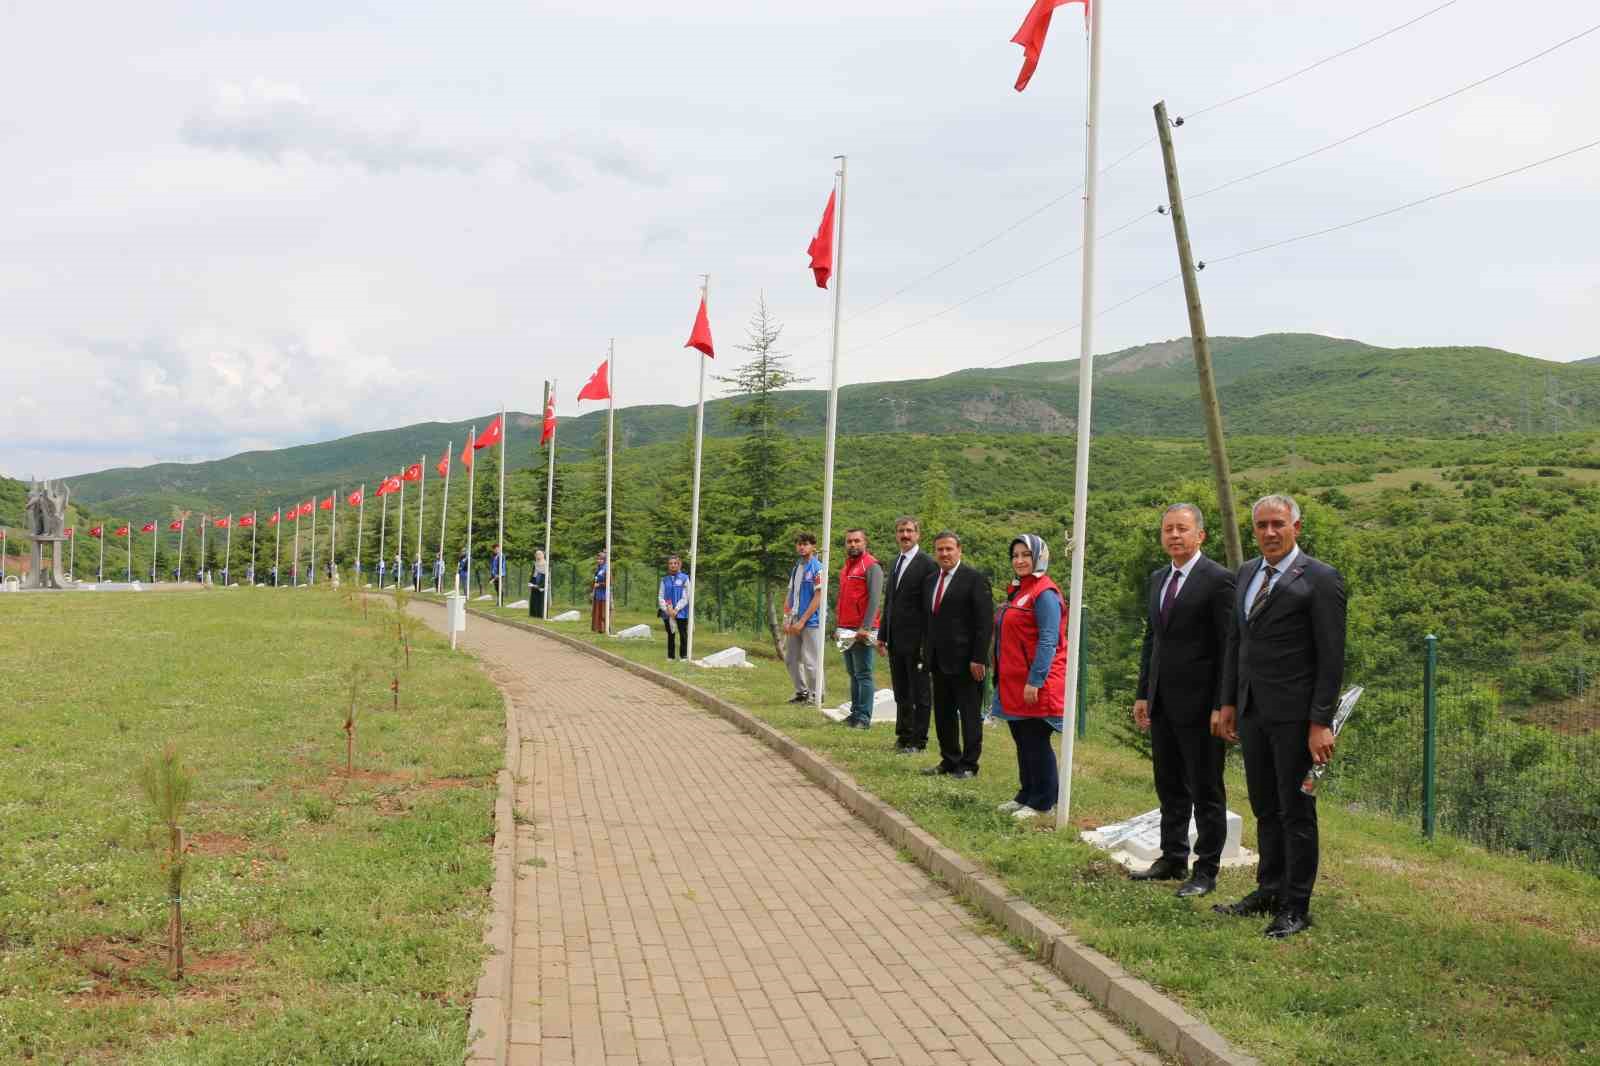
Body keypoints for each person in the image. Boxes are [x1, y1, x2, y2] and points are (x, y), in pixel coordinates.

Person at [1213, 494, 1347, 939]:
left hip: (1296, 718)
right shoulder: (1248, 573)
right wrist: (1229, 701)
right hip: (1253, 712)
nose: (1270, 533)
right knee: (1265, 806)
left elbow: (1331, 658)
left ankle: (1296, 904)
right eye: (1262, 526)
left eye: (1278, 524)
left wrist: (1320, 721)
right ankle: (1268, 888)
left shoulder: (1321, 579)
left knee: (1296, 810)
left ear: (1296, 527)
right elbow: (1237, 643)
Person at [1130, 504, 1237, 898]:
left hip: (1201, 706)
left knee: (1206, 789)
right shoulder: (1159, 578)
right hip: (1163, 702)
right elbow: (1152, 640)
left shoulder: (1218, 580)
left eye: (1182, 529)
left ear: (1200, 536)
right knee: (1169, 785)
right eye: (1168, 530)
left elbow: (1229, 647)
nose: (1174, 536)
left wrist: (1222, 704)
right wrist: (1144, 692)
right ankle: (1172, 855)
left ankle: (1205, 869)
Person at [989, 534, 1066, 818]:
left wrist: (1036, 679)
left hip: (1035, 682)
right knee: (1022, 739)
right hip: (1013, 682)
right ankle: (1027, 793)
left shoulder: (1044, 593)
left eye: (1026, 555)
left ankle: (1043, 802)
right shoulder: (1021, 590)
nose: (1019, 560)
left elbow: (1048, 639)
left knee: (1035, 739)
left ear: (1039, 556)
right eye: (1015, 556)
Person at [920, 531, 993, 779]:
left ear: (959, 550)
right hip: (938, 660)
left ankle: (969, 764)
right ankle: (949, 759)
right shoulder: (931, 580)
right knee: (943, 713)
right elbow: (929, 621)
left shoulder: (974, 579)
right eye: (940, 549)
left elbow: (984, 624)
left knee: (969, 715)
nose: (944, 554)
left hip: (966, 662)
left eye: (949, 549)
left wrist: (979, 658)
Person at [879, 515, 937, 754]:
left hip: (918, 642)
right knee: (901, 691)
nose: (905, 535)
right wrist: (883, 634)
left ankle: (918, 740)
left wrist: (927, 643)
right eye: (901, 531)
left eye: (910, 531)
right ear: (896, 534)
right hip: (895, 640)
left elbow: (930, 608)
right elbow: (890, 602)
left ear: (918, 534)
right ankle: (903, 735)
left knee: (920, 693)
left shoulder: (927, 564)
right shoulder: (896, 562)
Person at [835, 529, 883, 729]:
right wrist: (838, 625)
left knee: (863, 673)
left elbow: (874, 598)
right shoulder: (846, 567)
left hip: (861, 629)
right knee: (853, 673)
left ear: (865, 542)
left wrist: (865, 626)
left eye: (857, 541)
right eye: (849, 541)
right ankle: (854, 713)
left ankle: (863, 717)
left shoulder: (871, 566)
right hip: (845, 628)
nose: (853, 544)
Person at [783, 533, 825, 703]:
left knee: (811, 661)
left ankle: (817, 695)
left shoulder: (818, 568)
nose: (802, 547)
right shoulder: (797, 568)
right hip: (794, 619)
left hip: (811, 622)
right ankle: (802, 692)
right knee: (791, 658)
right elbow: (791, 593)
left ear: (813, 546)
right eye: (799, 544)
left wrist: (803, 621)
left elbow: (818, 596)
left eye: (805, 544)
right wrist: (787, 618)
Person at [658, 554, 691, 660]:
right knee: (670, 634)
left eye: (675, 563)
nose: (673, 565)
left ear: (679, 564)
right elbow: (661, 596)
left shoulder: (685, 578)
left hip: (681, 611)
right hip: (667, 611)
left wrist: (676, 609)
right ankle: (670, 656)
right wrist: (667, 609)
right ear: (668, 565)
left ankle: (683, 656)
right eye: (670, 563)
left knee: (683, 633)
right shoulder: (664, 580)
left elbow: (686, 596)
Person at [591, 551, 609, 633]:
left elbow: (609, 582)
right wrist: (593, 590)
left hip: (603, 595)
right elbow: (595, 580)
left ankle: (603, 628)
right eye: (598, 559)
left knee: (603, 612)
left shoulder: (606, 569)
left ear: (604, 560)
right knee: (596, 612)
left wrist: (600, 585)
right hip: (597, 594)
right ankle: (597, 628)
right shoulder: (598, 568)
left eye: (601, 559)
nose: (599, 560)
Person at [529, 549, 547, 617]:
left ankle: (540, 614)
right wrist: (530, 582)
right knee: (533, 599)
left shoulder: (546, 564)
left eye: (539, 554)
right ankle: (533, 614)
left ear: (543, 555)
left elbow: (545, 576)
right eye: (536, 554)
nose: (537, 556)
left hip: (541, 583)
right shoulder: (535, 563)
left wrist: (540, 585)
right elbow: (533, 573)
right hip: (534, 581)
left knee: (540, 599)